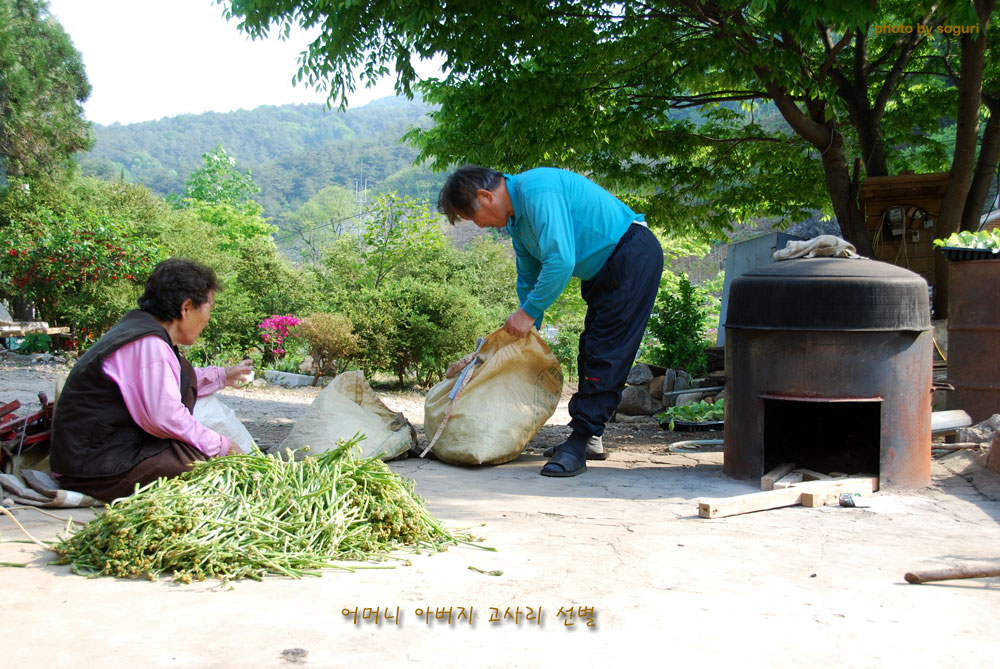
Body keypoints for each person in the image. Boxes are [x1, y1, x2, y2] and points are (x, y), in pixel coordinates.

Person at [438, 166, 663, 477]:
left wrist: (528, 313)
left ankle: (581, 439)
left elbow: (560, 260)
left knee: (606, 351)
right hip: (603, 269)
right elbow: (528, 275)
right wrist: (528, 327)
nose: (479, 225)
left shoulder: (538, 190)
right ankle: (590, 437)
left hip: (631, 253)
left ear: (485, 196)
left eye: (475, 217)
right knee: (591, 349)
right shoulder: (517, 223)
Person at [50, 258, 253, 502]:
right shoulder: (148, 345)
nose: (209, 318)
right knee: (209, 467)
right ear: (186, 307)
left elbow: (163, 383)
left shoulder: (143, 332)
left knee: (202, 453)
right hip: (95, 466)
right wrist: (222, 445)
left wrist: (221, 376)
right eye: (209, 307)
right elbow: (164, 416)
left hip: (99, 455)